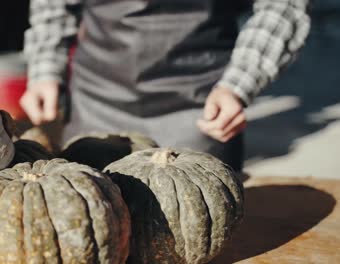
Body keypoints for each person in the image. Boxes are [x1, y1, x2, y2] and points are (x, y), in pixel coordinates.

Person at [21, 0, 311, 172]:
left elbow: (282, 5)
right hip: (96, 99)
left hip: (199, 104)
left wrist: (239, 84)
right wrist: (46, 68)